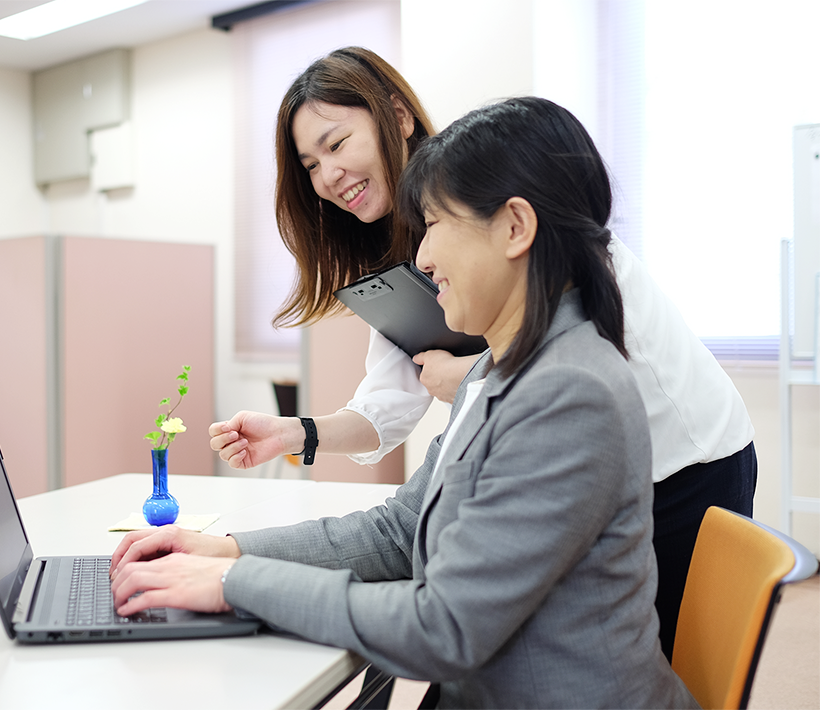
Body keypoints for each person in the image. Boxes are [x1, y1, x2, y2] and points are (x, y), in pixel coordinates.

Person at [112, 98, 699, 709]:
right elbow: (399, 530)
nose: (421, 258)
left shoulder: (568, 391)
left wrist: (232, 582)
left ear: (516, 227)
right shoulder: (498, 370)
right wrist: (229, 550)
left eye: (437, 224)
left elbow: (443, 628)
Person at [209, 46, 757, 660]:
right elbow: (387, 410)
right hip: (563, 458)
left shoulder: (511, 197)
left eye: (336, 145)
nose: (327, 176)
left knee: (646, 654)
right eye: (310, 164)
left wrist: (471, 376)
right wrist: (296, 433)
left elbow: (589, 351)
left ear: (397, 116)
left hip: (682, 456)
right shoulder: (403, 261)